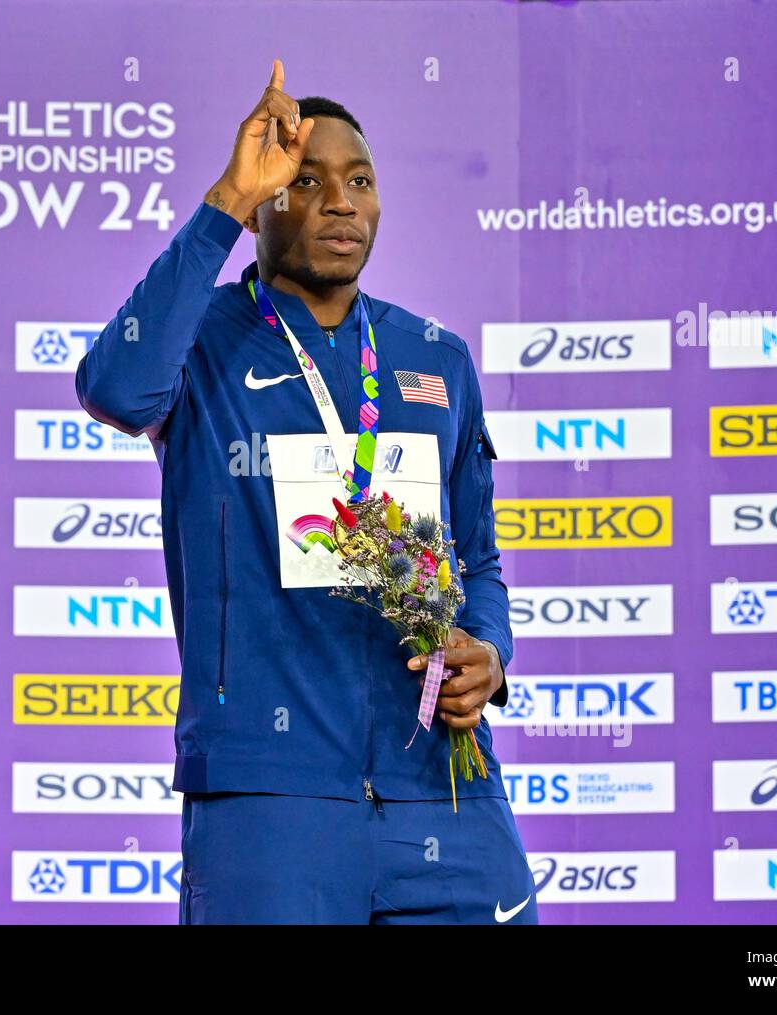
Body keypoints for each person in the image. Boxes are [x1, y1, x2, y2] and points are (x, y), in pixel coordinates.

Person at [76, 59, 537, 925]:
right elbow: (117, 386)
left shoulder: (435, 358)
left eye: (359, 181)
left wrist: (490, 651)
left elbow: (476, 557)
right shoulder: (204, 340)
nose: (340, 201)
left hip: (440, 785)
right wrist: (227, 197)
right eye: (306, 181)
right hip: (269, 797)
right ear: (266, 207)